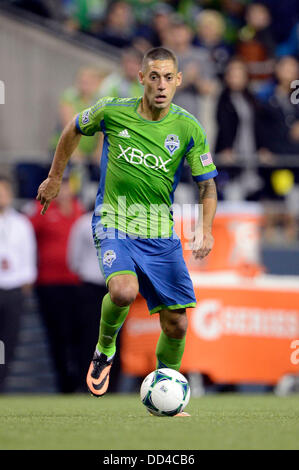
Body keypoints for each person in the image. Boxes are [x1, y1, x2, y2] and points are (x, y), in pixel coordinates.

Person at [36, 47, 218, 416]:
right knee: (123, 290)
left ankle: (166, 390)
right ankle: (104, 350)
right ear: (141, 78)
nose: (161, 85)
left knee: (177, 323)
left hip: (159, 234)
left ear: (179, 81)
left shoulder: (188, 127)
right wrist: (56, 177)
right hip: (114, 221)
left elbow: (207, 185)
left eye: (169, 77)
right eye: (154, 77)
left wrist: (206, 228)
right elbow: (73, 128)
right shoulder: (113, 110)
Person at [30, 178, 84, 393]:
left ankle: (82, 380)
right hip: (50, 284)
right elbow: (27, 237)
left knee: (79, 334)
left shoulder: (80, 211)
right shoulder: (41, 208)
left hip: (78, 284)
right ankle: (65, 383)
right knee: (57, 335)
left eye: (68, 184)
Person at [0, 175, 37, 392]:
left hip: (14, 289)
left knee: (9, 340)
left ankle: (1, 382)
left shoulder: (22, 223)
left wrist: (26, 283)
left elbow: (29, 256)